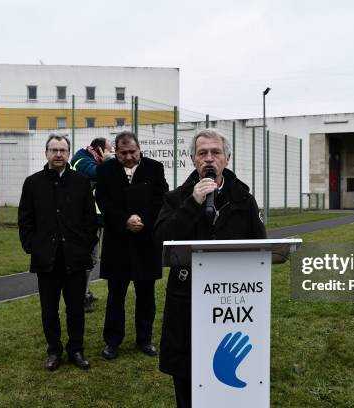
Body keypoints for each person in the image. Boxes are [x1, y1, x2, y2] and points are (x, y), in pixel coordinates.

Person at [154, 128, 267, 408]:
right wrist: (193, 204)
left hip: (232, 303)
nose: (209, 158)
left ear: (226, 159)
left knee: (228, 380)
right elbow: (160, 241)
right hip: (187, 301)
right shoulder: (176, 198)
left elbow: (261, 246)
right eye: (202, 153)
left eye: (215, 152)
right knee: (187, 378)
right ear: (192, 159)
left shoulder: (243, 199)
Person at [18, 134, 97, 371]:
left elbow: (90, 220)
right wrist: (33, 246)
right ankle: (54, 351)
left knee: (75, 309)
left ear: (68, 153)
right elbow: (25, 220)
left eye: (63, 150)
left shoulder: (81, 182)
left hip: (75, 258)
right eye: (54, 150)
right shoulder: (33, 183)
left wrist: (85, 245)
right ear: (46, 153)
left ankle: (76, 350)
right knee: (49, 309)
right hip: (47, 259)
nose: (59, 154)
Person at [96, 131, 168, 360]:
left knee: (146, 294)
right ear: (116, 151)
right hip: (118, 242)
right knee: (116, 295)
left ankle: (144, 339)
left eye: (132, 152)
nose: (128, 157)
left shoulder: (154, 168)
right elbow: (103, 201)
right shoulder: (106, 171)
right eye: (123, 152)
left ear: (139, 150)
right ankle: (112, 341)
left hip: (146, 242)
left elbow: (161, 199)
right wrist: (124, 220)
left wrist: (142, 219)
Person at [71, 137, 115, 313]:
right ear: (99, 150)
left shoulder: (89, 160)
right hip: (84, 220)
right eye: (109, 150)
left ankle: (85, 292)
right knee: (88, 259)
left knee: (91, 258)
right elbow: (99, 174)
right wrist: (107, 162)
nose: (111, 154)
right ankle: (80, 297)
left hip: (94, 219)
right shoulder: (82, 161)